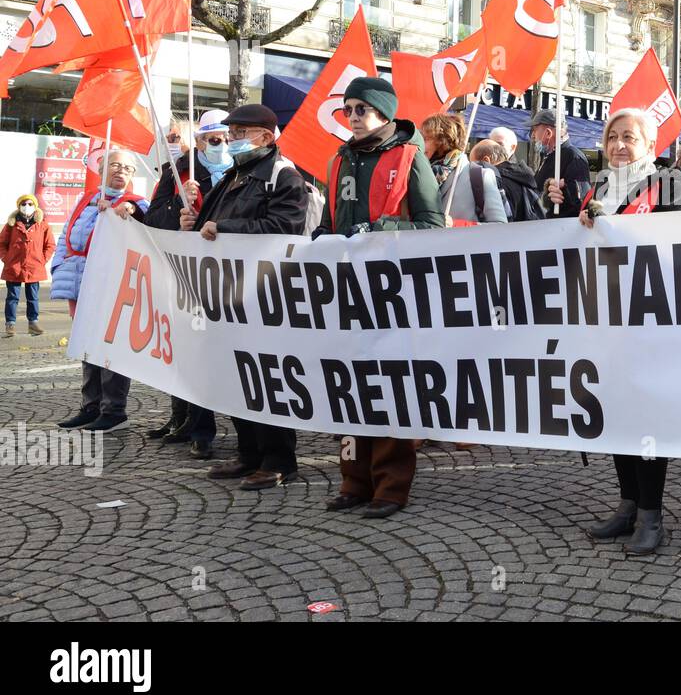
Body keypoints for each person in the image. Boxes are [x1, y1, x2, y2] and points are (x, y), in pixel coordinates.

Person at [546, 108, 681, 556]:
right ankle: (628, 504)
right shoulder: (602, 184)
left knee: (645, 413)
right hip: (606, 316)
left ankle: (652, 514)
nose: (619, 145)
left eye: (630, 137)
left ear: (650, 144)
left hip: (650, 317)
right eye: (613, 137)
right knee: (618, 410)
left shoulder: (673, 182)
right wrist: (572, 211)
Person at [317, 77, 443, 518]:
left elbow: (433, 227)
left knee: (389, 386)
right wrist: (323, 237)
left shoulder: (410, 157)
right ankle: (353, 479)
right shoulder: (338, 160)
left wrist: (380, 230)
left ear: (385, 113)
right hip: (348, 290)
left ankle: (390, 486)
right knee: (350, 388)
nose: (352, 117)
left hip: (394, 292)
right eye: (348, 109)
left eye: (362, 109)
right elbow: (333, 221)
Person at [181, 104, 308, 490]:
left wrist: (224, 227)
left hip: (263, 294)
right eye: (231, 132)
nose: (232, 139)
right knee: (234, 375)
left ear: (266, 137)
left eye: (239, 132)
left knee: (265, 378)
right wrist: (194, 224)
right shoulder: (237, 175)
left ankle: (278, 459)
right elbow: (211, 228)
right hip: (228, 294)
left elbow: (285, 226)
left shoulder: (282, 177)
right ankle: (248, 452)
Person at [142, 109, 229, 455]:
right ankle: (197, 427)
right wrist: (180, 204)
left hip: (229, 275)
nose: (222, 145)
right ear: (199, 141)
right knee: (190, 350)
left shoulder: (240, 172)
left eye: (226, 138)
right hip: (185, 274)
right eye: (214, 139)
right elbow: (153, 219)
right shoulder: (177, 172)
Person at [52, 151, 149, 433]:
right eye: (116, 165)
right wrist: (60, 267)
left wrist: (127, 213)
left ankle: (114, 410)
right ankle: (90, 406)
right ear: (102, 168)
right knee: (87, 345)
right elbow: (65, 238)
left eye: (128, 168)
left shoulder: (135, 202)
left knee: (111, 347)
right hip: (80, 284)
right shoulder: (85, 200)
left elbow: (143, 217)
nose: (121, 171)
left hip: (113, 286)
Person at [421, 113, 508, 225]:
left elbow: (499, 226)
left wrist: (455, 224)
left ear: (443, 140)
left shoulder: (480, 175)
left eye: (425, 139)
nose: (420, 144)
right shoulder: (419, 173)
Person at [1, 194, 54, 337]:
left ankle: (33, 324)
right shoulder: (11, 225)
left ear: (35, 206)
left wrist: (42, 259)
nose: (27, 206)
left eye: (30, 204)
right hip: (14, 267)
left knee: (33, 297)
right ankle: (10, 325)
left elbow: (49, 245)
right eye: (24, 204)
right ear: (19, 206)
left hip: (34, 267)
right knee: (12, 297)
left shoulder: (42, 224)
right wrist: (7, 259)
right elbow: (2, 244)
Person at [530, 109, 591, 218]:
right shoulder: (550, 155)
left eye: (535, 130)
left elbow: (581, 202)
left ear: (548, 133)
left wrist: (561, 194)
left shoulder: (573, 156)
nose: (533, 136)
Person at [485, 126, 545, 221]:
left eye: (500, 144)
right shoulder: (490, 172)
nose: (494, 149)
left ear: (513, 148)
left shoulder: (496, 176)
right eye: (491, 144)